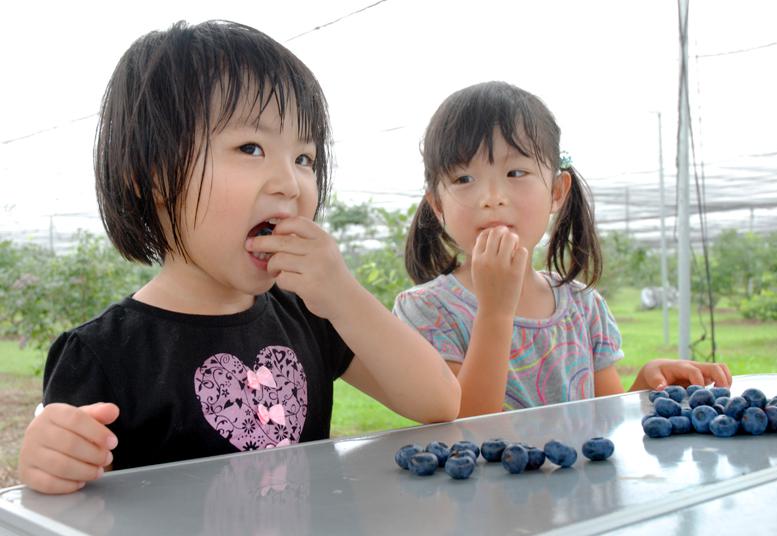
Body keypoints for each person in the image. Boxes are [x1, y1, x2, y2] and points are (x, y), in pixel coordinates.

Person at [18, 20, 460, 495]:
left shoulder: (311, 317)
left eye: (304, 159)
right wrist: (50, 458)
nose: (289, 183)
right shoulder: (103, 355)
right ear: (153, 177)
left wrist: (343, 293)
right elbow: (68, 493)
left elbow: (438, 402)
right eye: (251, 148)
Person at [393, 81, 731, 418]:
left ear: (557, 191)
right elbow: (462, 431)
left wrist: (646, 386)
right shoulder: (426, 312)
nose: (491, 196)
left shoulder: (582, 306)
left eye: (516, 172)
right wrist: (495, 311)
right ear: (437, 205)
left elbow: (606, 424)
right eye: (464, 179)